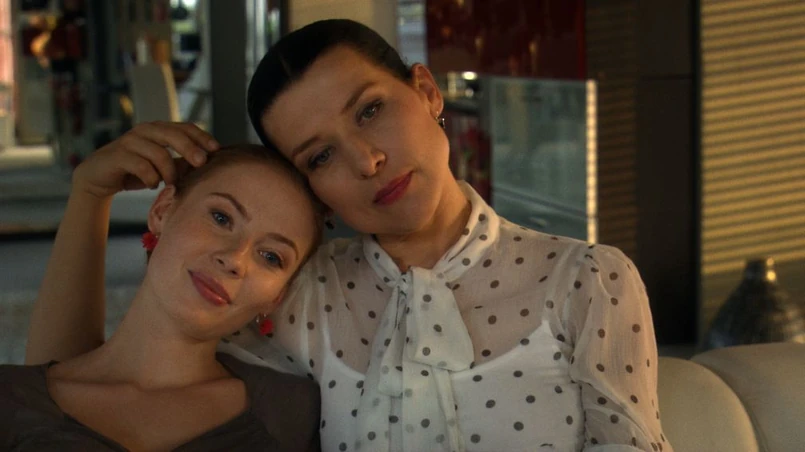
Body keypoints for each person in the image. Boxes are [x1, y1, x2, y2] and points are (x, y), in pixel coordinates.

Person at [27, 19, 673, 452]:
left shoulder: (588, 280)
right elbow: (61, 393)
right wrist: (89, 198)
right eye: (320, 156)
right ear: (315, 192)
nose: (366, 161)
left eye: (371, 110)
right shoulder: (298, 291)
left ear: (426, 91)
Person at [7, 142, 323, 451]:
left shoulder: (291, 413)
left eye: (270, 257)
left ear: (276, 297)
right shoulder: (12, 397)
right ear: (162, 210)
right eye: (221, 218)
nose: (235, 259)